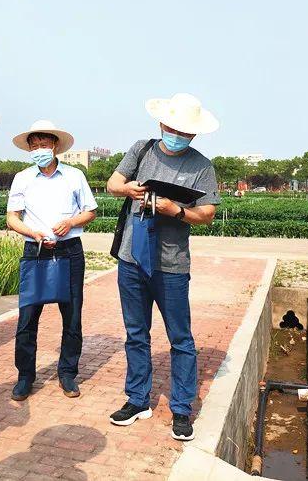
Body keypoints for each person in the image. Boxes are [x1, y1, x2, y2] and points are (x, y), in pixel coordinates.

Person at [106, 93, 220, 442]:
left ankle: (182, 408)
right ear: (161, 123)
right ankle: (137, 400)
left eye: (185, 131)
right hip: (132, 259)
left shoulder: (202, 166)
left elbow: (207, 214)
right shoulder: (141, 150)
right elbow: (112, 184)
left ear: (194, 133)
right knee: (136, 333)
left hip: (171, 265)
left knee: (180, 339)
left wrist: (176, 210)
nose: (177, 135)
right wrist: (129, 190)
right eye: (173, 128)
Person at [6, 120, 98, 401]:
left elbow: (90, 211)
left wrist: (70, 223)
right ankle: (25, 376)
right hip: (35, 251)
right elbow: (12, 218)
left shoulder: (74, 176)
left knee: (72, 315)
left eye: (44, 145)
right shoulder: (22, 178)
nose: (39, 150)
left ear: (55, 145)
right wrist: (31, 233)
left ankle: (67, 373)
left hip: (69, 250)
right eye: (34, 146)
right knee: (27, 317)